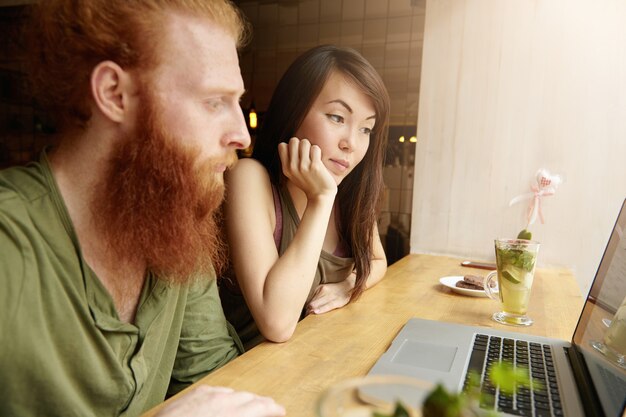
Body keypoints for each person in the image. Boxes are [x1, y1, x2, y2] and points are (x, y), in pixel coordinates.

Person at [0, 1, 285, 416]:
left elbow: (214, 378)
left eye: (237, 103)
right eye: (213, 102)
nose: (241, 134)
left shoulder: (173, 219)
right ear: (115, 94)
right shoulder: (10, 244)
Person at [220, 45, 390, 349]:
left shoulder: (349, 194)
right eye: (337, 117)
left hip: (311, 364)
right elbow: (277, 322)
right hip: (242, 379)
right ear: (294, 111)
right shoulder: (249, 178)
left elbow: (378, 260)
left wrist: (348, 286)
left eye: (366, 129)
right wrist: (321, 199)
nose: (351, 143)